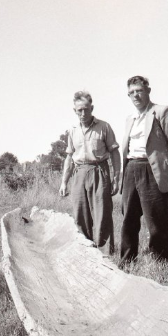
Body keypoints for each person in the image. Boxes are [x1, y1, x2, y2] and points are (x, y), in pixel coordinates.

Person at [120, 76, 168, 265]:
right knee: (128, 219)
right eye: (131, 93)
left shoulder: (161, 112)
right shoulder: (129, 118)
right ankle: (127, 262)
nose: (135, 95)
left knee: (157, 220)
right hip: (131, 168)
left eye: (139, 91)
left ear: (148, 91)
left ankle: (161, 264)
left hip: (152, 170)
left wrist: (164, 168)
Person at [59, 91, 120, 253]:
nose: (83, 113)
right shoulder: (72, 130)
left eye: (86, 109)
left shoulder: (104, 127)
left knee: (102, 214)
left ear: (92, 108)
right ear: (75, 111)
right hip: (79, 173)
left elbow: (114, 152)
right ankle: (85, 252)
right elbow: (69, 157)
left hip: (99, 171)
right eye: (79, 110)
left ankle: (105, 254)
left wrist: (116, 178)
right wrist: (64, 182)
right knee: (80, 214)